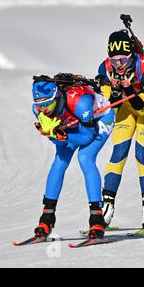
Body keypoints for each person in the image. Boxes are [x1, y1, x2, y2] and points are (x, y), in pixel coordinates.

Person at [31, 74, 115, 239]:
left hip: (100, 117)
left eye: (48, 103)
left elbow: (86, 137)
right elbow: (61, 144)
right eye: (40, 105)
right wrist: (54, 135)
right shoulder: (38, 110)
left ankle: (97, 218)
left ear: (56, 97)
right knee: (60, 160)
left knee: (85, 157)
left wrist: (60, 135)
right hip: (73, 121)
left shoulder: (81, 102)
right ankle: (47, 217)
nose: (44, 109)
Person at [96, 29, 144, 232]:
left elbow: (143, 107)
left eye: (123, 60)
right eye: (114, 60)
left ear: (131, 55)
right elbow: (106, 97)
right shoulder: (105, 67)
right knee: (118, 153)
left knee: (142, 155)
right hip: (127, 108)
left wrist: (125, 94)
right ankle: (105, 210)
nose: (119, 65)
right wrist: (114, 97)